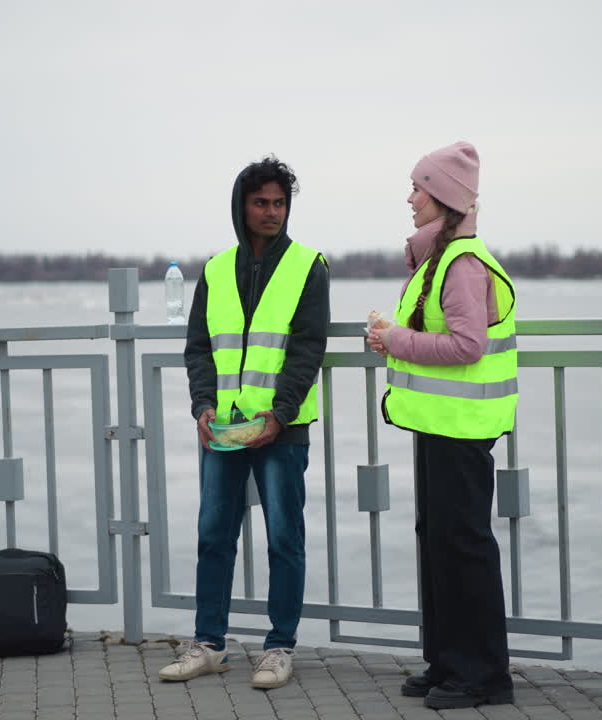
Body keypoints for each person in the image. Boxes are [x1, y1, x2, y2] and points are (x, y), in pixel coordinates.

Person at [158, 156, 330, 690]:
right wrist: (202, 407)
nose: (272, 212)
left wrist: (279, 415)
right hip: (224, 429)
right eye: (262, 203)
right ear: (242, 206)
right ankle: (208, 643)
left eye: (280, 203)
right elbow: (199, 349)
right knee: (213, 535)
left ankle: (279, 648)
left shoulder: (309, 265)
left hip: (282, 428)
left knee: (285, 538)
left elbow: (307, 350)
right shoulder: (214, 270)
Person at [367, 141, 518, 709]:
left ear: (444, 200)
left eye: (418, 189)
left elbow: (466, 344)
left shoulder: (463, 263)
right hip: (440, 423)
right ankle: (447, 663)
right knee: (439, 541)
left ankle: (483, 676)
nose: (410, 199)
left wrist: (392, 340)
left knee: (464, 546)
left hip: (463, 426)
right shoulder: (441, 259)